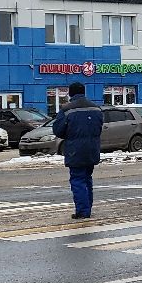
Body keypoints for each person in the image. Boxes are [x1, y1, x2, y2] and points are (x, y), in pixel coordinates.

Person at [50, 82, 104, 220]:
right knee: (87, 178)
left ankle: (83, 211)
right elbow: (99, 128)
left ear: (70, 93)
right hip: (92, 149)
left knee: (78, 179)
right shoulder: (96, 108)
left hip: (75, 150)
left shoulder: (67, 109)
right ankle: (87, 208)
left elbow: (58, 130)